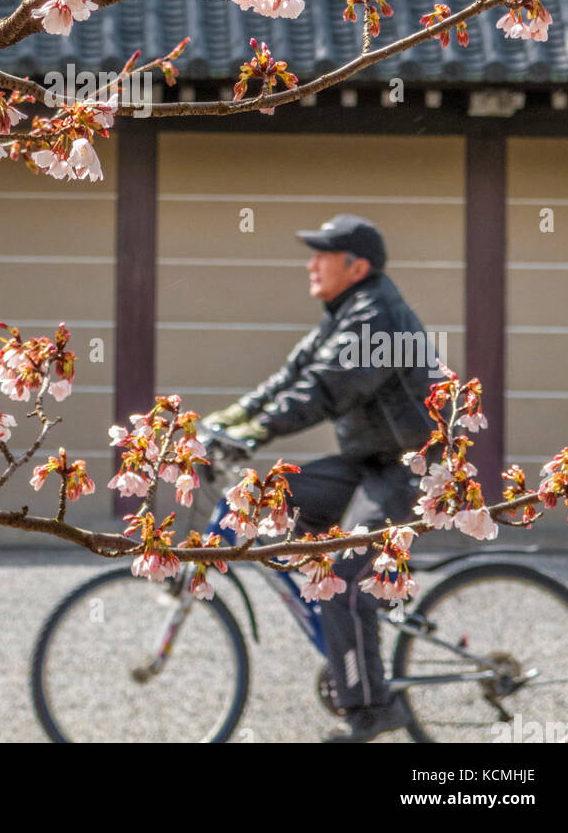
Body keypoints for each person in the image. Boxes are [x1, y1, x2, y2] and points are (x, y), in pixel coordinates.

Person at [202, 214, 437, 744]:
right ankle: (354, 626)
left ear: (357, 266)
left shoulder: (377, 315)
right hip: (369, 464)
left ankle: (372, 709)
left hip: (408, 469)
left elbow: (326, 389)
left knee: (344, 578)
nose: (310, 264)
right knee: (268, 497)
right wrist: (224, 424)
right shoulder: (345, 312)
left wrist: (254, 432)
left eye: (322, 255)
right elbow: (290, 379)